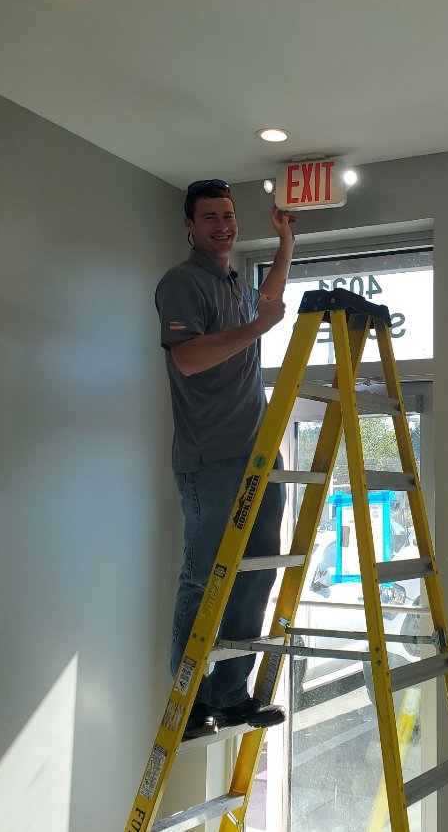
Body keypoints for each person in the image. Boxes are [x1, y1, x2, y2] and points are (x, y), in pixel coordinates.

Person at [155, 179, 296, 738]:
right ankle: (186, 703)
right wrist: (257, 326)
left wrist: (284, 243)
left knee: (255, 574)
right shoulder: (181, 283)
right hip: (209, 458)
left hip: (256, 455)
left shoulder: (235, 283)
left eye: (230, 216)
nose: (223, 225)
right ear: (189, 225)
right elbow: (188, 359)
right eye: (210, 217)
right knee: (204, 576)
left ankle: (231, 694)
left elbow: (268, 305)